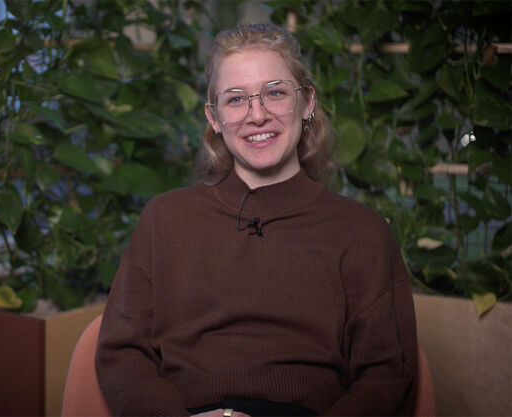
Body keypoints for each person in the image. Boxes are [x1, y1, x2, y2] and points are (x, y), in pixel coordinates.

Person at [95, 23, 418, 417]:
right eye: (236, 100)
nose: (257, 115)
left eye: (275, 93)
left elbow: (386, 377)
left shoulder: (361, 232)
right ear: (213, 118)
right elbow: (122, 353)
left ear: (308, 102)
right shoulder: (165, 220)